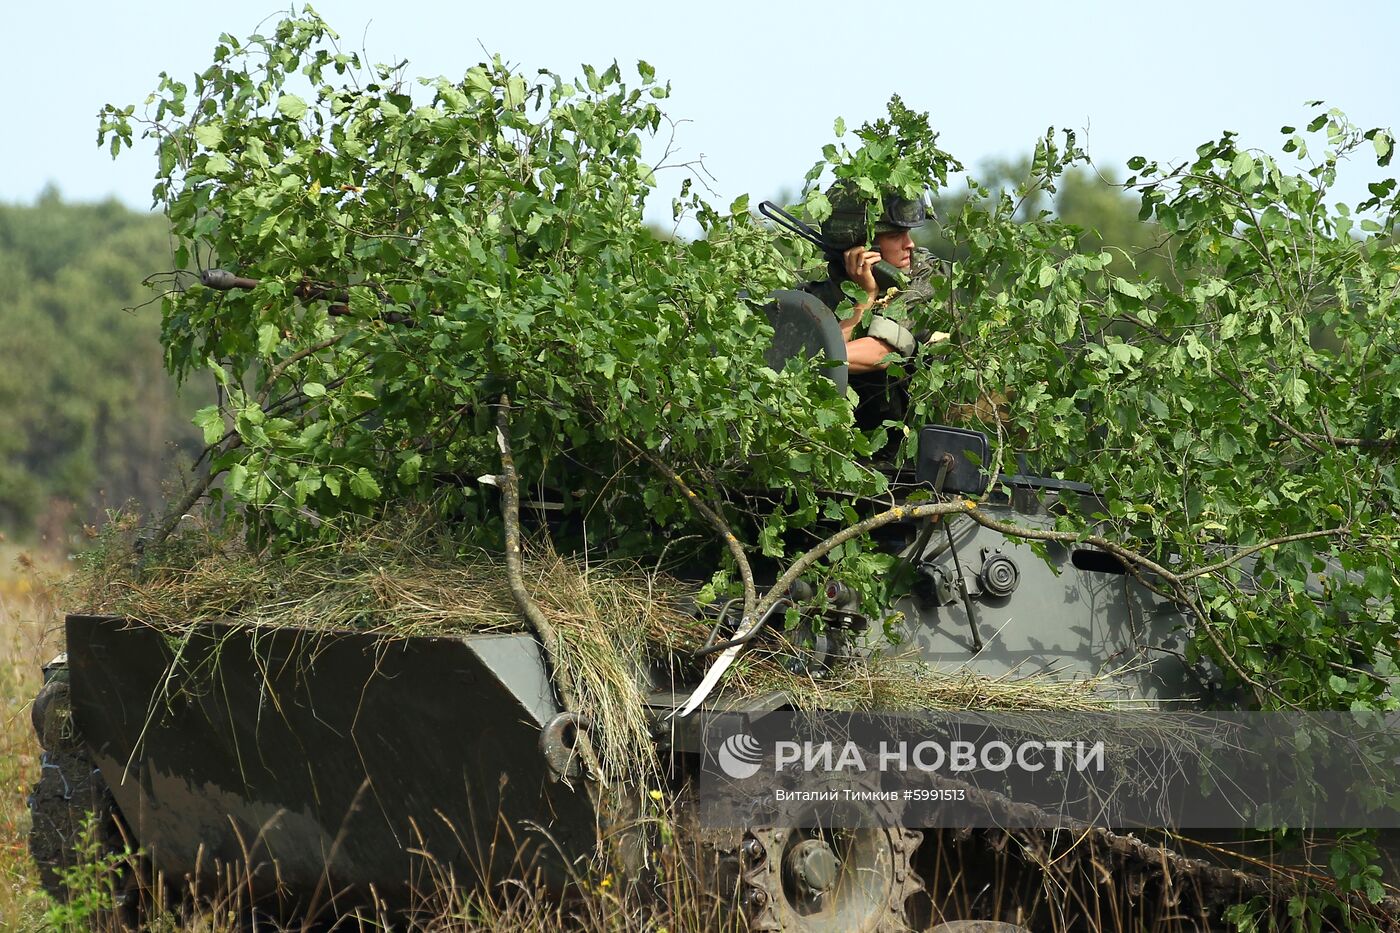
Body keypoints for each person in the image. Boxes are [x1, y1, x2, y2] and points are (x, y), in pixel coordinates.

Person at [802, 184, 943, 374]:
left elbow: (879, 354)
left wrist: (864, 298)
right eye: (895, 236)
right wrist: (867, 294)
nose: (910, 244)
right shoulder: (815, 298)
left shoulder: (926, 277)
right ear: (862, 247)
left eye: (907, 233)